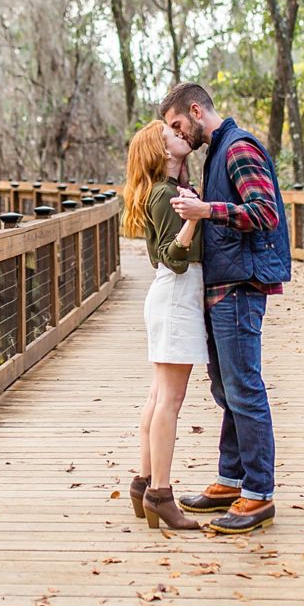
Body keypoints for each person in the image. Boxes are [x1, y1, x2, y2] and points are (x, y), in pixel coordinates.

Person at [160, 82, 290, 534]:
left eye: (178, 124)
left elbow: (264, 212)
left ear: (196, 111)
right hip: (221, 286)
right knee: (227, 389)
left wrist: (206, 211)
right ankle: (231, 479)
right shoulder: (216, 152)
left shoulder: (237, 148)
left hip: (240, 285)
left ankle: (258, 494)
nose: (178, 132)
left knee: (244, 388)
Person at [121, 120, 208, 530]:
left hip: (172, 295)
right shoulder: (166, 195)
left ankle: (143, 483)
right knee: (169, 402)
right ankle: (160, 492)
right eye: (172, 134)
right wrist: (194, 218)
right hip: (176, 294)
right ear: (162, 149)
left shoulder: (167, 192)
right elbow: (171, 259)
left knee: (158, 396)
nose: (181, 135)